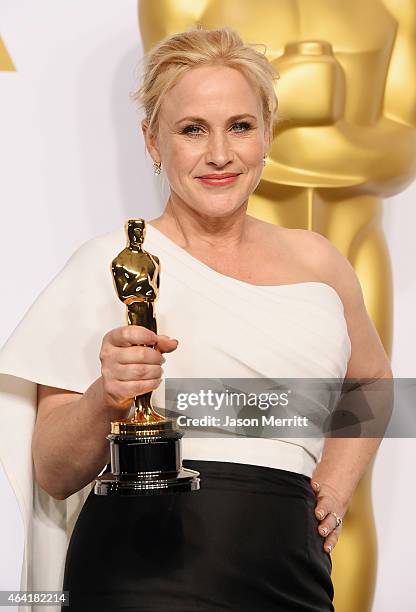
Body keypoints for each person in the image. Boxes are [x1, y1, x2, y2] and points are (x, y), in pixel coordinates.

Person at [0, 27, 392, 612]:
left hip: (291, 569)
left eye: (240, 126)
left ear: (266, 134)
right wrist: (105, 397)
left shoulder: (319, 262)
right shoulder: (110, 265)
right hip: (139, 573)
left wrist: (334, 483)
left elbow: (375, 385)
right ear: (152, 141)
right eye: (192, 130)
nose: (219, 154)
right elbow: (54, 471)